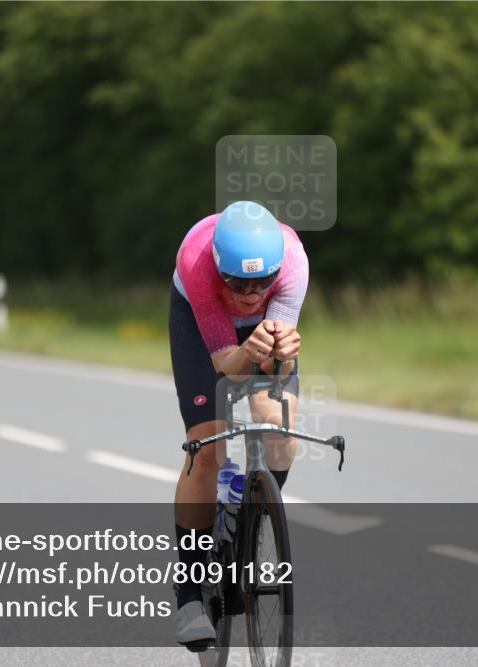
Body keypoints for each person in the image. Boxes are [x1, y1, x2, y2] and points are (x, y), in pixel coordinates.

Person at [168, 200, 308, 647]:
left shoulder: (293, 263)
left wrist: (282, 355)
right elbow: (228, 366)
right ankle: (189, 591)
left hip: (259, 334)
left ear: (277, 270)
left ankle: (248, 524)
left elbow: (278, 375)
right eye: (239, 282)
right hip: (202, 327)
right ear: (219, 268)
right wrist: (250, 353)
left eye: (262, 282)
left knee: (281, 430)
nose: (251, 293)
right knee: (205, 447)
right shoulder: (198, 263)